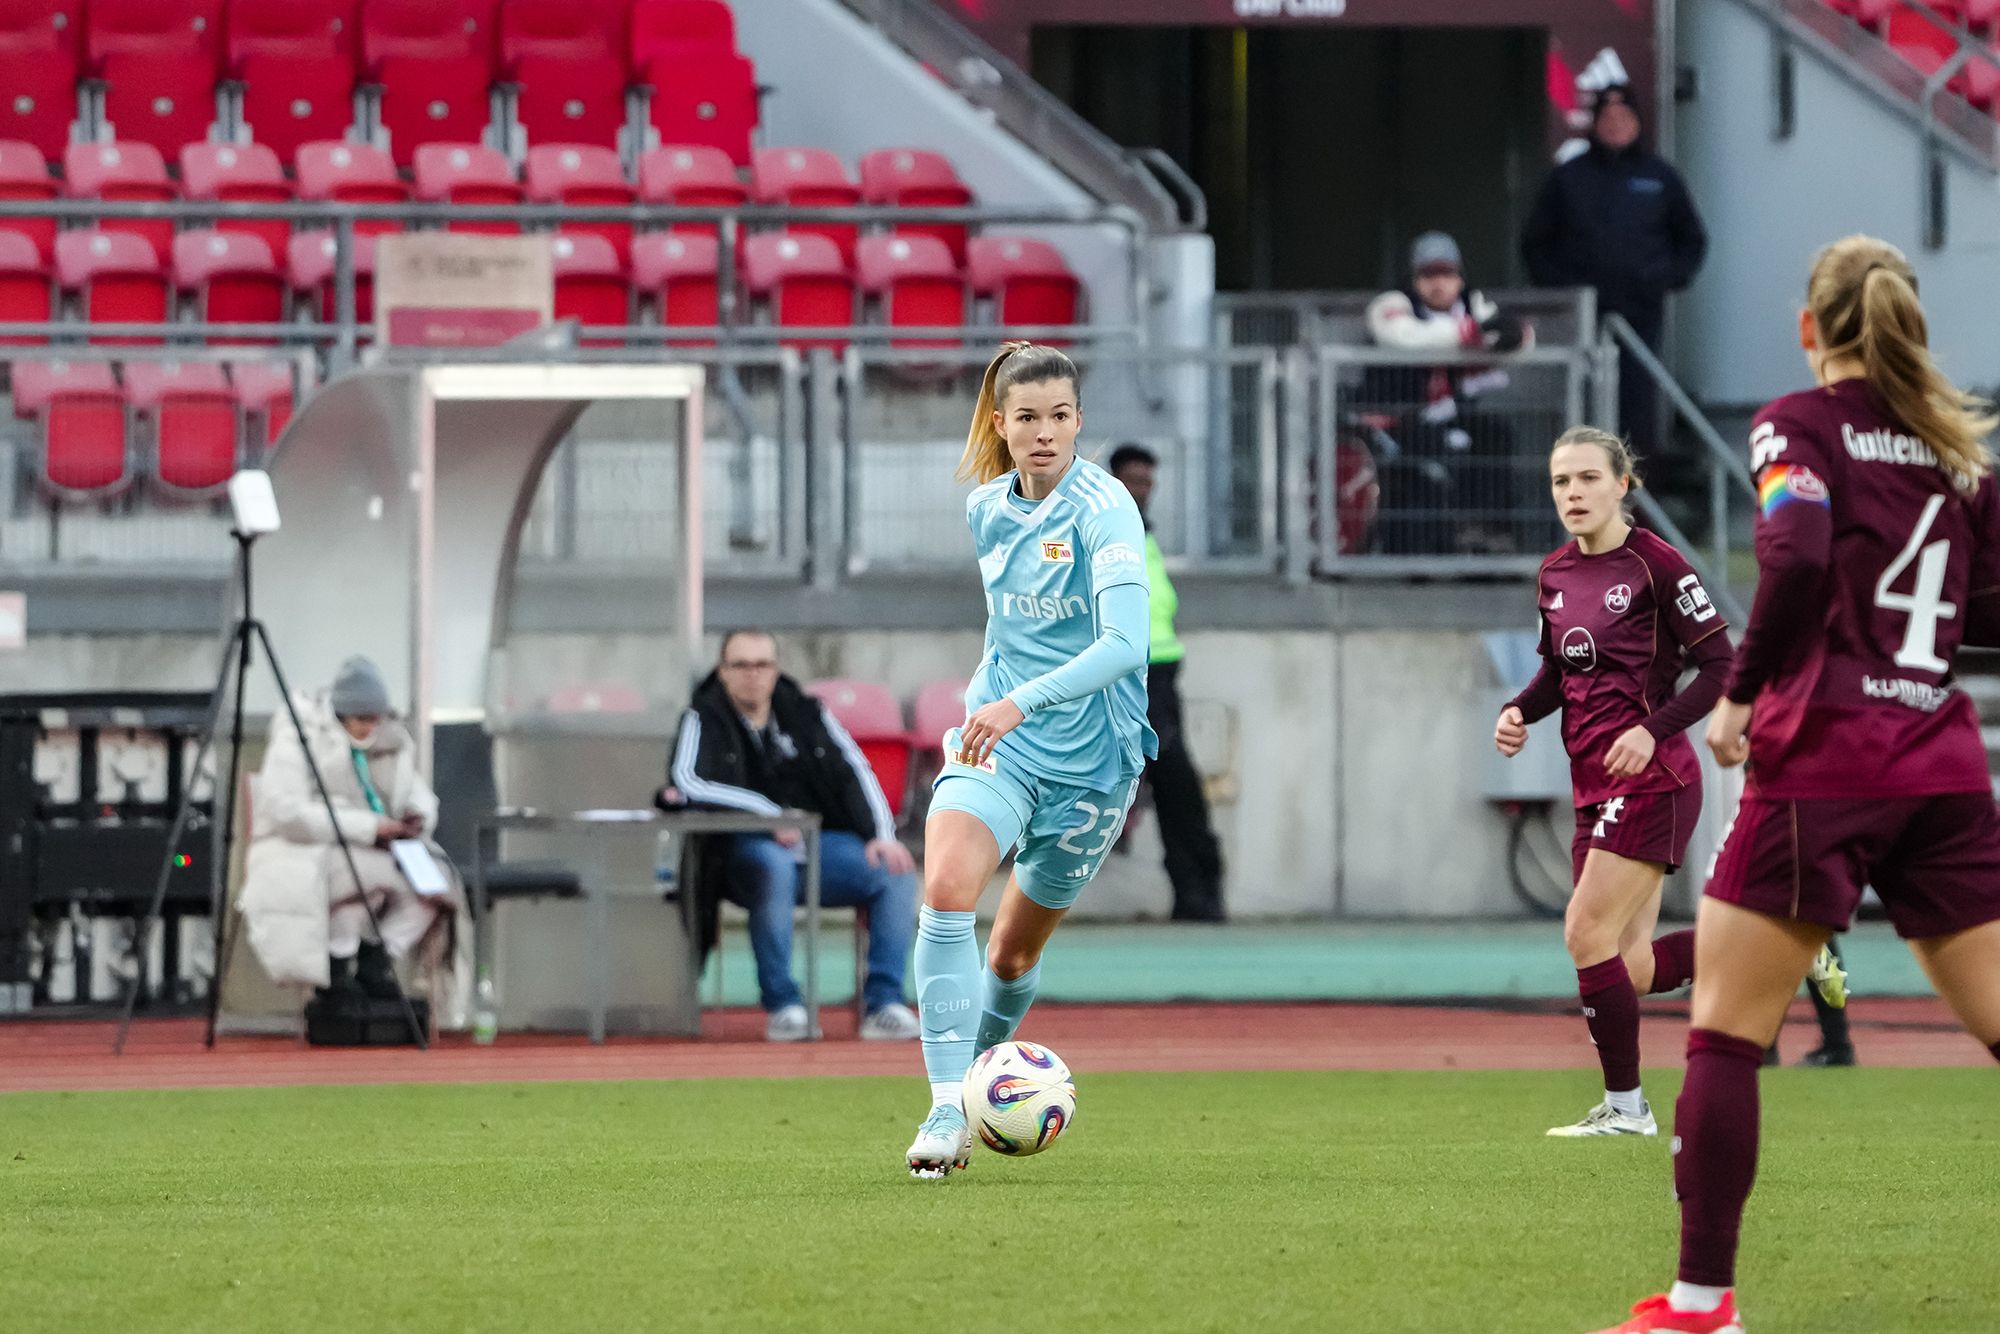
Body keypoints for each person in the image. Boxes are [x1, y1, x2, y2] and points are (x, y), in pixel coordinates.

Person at [1591, 236, 2000, 1333]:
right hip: (1943, 765)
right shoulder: (1953, 448)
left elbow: (1799, 547)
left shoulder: (1794, 423)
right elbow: (1985, 609)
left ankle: (1697, 1305)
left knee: (1723, 1029)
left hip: (1821, 757)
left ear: (1811, 327)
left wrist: (1743, 690)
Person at [904, 341, 1156, 1178]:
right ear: (1001, 425)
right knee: (945, 890)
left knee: (1009, 958)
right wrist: (995, 701)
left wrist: (1025, 699)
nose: (1044, 433)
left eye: (1059, 417)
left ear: (1079, 421)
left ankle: (981, 1078)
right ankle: (946, 1107)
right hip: (1001, 742)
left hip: (1094, 767)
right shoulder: (985, 508)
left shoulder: (1105, 507)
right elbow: (1010, 627)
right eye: (1027, 419)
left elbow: (1127, 643)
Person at [1494, 426, 1730, 1136]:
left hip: (1655, 776)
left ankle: (1628, 1110)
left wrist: (1651, 730)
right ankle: (1775, 941)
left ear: (1623, 484)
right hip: (1593, 783)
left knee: (1582, 931)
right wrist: (1517, 711)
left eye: (1589, 478)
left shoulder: (1658, 564)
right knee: (1626, 966)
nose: (1574, 493)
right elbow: (1557, 675)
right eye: (1562, 481)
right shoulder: (1556, 574)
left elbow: (1722, 666)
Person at [665, 631, 920, 1042]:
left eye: (762, 665)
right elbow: (688, 781)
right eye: (741, 665)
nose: (753, 675)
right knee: (772, 864)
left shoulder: (806, 712)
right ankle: (784, 1005)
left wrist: (881, 834)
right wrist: (767, 817)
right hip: (739, 855)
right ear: (723, 672)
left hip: (818, 847)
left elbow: (854, 769)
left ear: (776, 670)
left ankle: (884, 1004)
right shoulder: (702, 716)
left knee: (894, 870)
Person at [240, 655, 457, 1004]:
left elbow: (417, 792)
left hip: (375, 846)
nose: (368, 727)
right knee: (364, 887)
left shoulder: (389, 739)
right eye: (361, 719)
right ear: (339, 714)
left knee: (439, 892)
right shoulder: (300, 736)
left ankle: (377, 959)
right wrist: (370, 828)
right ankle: (338, 969)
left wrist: (418, 815)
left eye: (376, 718)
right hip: (301, 851)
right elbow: (286, 813)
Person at [1521, 84, 1706, 459]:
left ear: (1637, 123)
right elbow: (1534, 243)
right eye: (1607, 118)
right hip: (1583, 321)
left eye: (1624, 118)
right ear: (1594, 124)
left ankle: (1634, 500)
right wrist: (1563, 291)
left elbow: (1692, 240)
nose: (1616, 125)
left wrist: (1665, 278)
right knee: (1581, 406)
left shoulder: (1661, 177)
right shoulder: (1568, 178)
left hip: (1641, 318)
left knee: (1636, 408)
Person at [1106, 443, 1226, 922]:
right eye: (1133, 479)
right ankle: (1197, 889)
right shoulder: (1104, 529)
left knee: (1177, 786)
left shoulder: (1144, 534)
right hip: (1131, 674)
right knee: (1169, 783)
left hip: (1160, 672)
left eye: (1147, 481)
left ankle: (1198, 892)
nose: (1141, 489)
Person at [1364, 230, 1533, 554]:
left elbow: (1517, 337)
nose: (1438, 283)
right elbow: (1407, 337)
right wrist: (1471, 333)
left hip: (1452, 412)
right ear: (1413, 278)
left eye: (1447, 274)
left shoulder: (1472, 302)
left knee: (1495, 435)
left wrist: (1515, 335)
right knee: (1438, 449)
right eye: (1428, 275)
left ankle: (1485, 532)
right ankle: (1431, 544)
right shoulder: (1392, 304)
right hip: (1398, 419)